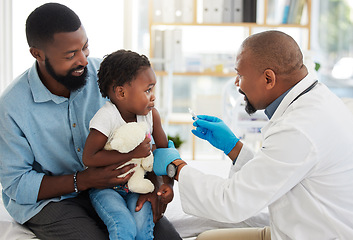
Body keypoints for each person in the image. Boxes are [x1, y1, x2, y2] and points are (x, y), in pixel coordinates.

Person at [0, 3, 180, 240]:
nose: (84, 60)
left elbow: (150, 132)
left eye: (85, 47)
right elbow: (17, 185)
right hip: (52, 201)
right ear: (38, 54)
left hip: (117, 189)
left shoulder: (108, 79)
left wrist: (157, 183)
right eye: (70, 55)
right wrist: (82, 180)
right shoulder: (12, 107)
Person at [153, 30, 353, 240]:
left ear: (269, 78)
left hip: (314, 234)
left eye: (240, 75)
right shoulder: (318, 99)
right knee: (207, 238)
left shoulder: (298, 128)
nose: (237, 84)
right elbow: (272, 172)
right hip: (301, 227)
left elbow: (232, 202)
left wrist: (176, 167)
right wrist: (234, 148)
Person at [82, 49, 173, 240]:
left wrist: (166, 184)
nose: (153, 96)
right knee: (124, 226)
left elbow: (164, 151)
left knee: (142, 229)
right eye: (147, 90)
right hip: (106, 189)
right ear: (121, 92)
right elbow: (89, 158)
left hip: (136, 187)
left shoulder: (150, 115)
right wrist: (133, 153)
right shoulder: (106, 117)